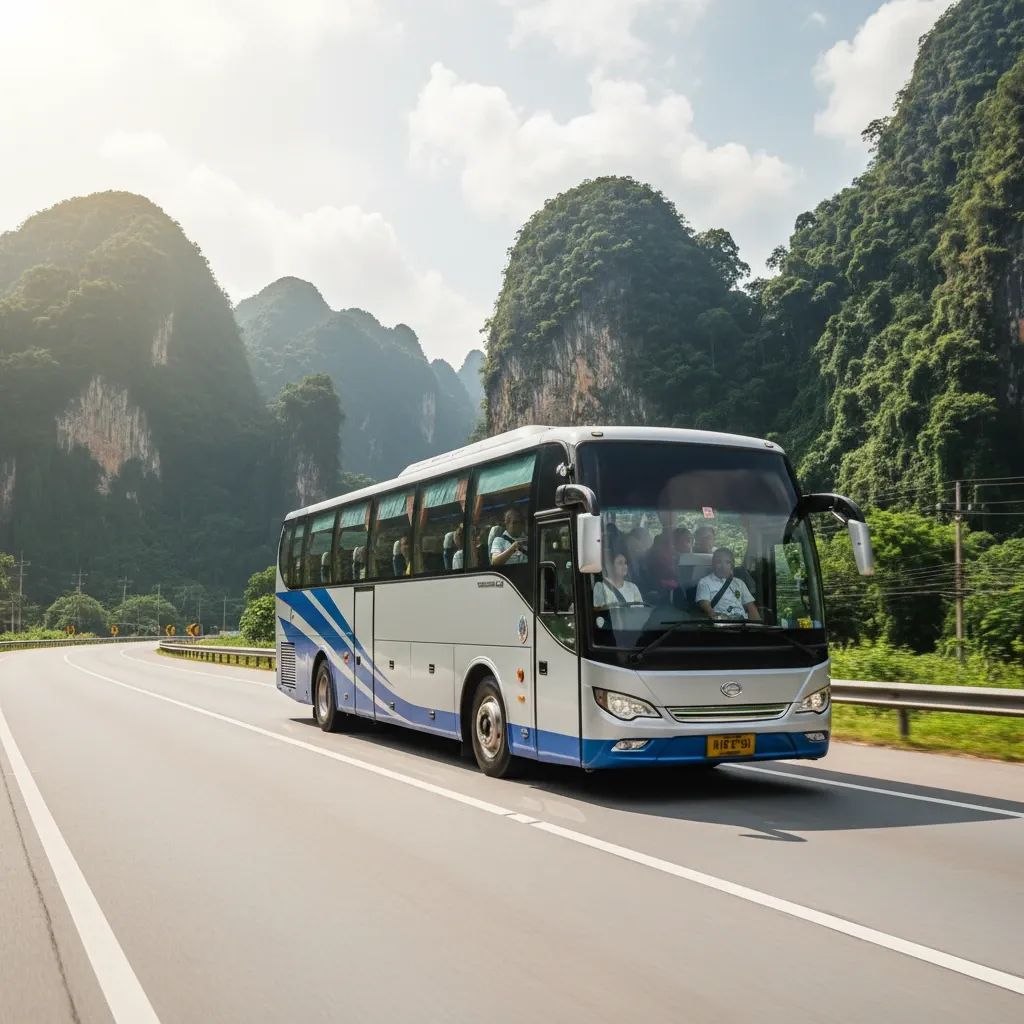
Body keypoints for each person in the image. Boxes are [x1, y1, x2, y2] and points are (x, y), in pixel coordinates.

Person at [696, 547, 760, 621]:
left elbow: (751, 608)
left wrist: (758, 628)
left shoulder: (739, 583)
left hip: (742, 625)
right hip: (721, 625)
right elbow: (706, 607)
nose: (723, 566)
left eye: (728, 562)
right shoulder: (705, 582)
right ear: (713, 564)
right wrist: (717, 617)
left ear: (732, 565)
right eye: (719, 562)